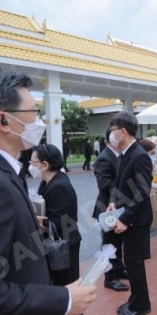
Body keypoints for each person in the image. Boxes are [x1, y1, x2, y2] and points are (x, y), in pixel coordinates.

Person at [0, 71, 96, 314]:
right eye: (33, 112)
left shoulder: (12, 173)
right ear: (3, 120)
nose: (39, 121)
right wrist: (63, 300)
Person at [107, 111, 152, 315]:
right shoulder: (127, 152)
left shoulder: (139, 155)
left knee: (134, 263)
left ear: (123, 131)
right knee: (131, 261)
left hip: (136, 220)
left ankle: (140, 305)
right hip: (126, 214)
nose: (110, 133)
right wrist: (112, 202)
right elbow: (121, 184)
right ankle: (136, 301)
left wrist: (125, 219)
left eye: (113, 130)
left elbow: (142, 191)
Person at [32, 144, 82, 285]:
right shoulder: (47, 181)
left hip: (64, 245)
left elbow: (62, 221)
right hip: (56, 242)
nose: (30, 166)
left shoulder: (59, 186)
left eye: (33, 162)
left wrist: (38, 221)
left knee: (65, 285)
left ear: (44, 164)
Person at [92, 128, 129, 292]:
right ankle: (110, 278)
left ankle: (119, 269)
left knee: (117, 241)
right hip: (107, 207)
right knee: (109, 244)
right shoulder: (104, 158)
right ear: (111, 139)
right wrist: (126, 187)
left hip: (118, 206)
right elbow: (104, 184)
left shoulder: (120, 156)